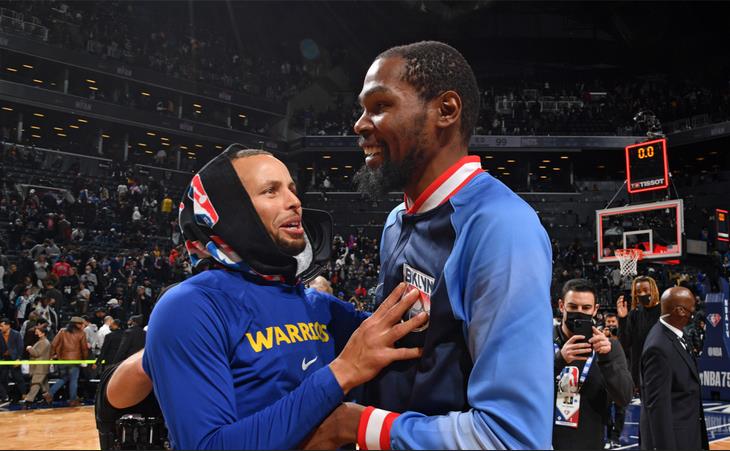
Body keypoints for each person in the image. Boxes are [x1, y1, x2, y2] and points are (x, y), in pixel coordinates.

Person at [309, 41, 554, 449]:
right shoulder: (396, 220)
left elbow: (512, 437)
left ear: (446, 110)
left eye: (380, 106)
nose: (360, 124)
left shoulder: (502, 227)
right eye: (362, 109)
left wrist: (357, 425)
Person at [139, 145, 427, 449]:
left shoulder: (319, 305)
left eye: (292, 189)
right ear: (230, 212)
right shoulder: (189, 307)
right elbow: (208, 446)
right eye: (270, 191)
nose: (294, 202)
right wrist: (340, 376)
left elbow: (414, 340)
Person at [552, 279, 632, 449]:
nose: (579, 312)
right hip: (546, 442)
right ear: (561, 306)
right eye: (573, 307)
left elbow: (624, 398)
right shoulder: (544, 342)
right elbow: (525, 390)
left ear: (595, 310)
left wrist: (606, 360)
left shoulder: (609, 347)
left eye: (586, 308)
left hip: (590, 443)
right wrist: (558, 361)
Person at [639, 286, 708, 450]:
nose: (694, 311)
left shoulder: (675, 334)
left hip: (688, 436)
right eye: (692, 307)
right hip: (676, 441)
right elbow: (658, 408)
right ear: (680, 311)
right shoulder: (659, 348)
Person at [617, 276, 661, 389]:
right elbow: (624, 344)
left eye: (645, 290)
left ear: (654, 290)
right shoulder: (634, 314)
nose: (642, 294)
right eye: (638, 292)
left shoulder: (664, 311)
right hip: (640, 373)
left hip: (661, 368)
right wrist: (622, 319)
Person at [48, 316, 89, 406]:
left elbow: (53, 344)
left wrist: (52, 355)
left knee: (64, 378)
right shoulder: (81, 333)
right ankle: (73, 400)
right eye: (81, 324)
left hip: (62, 360)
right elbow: (84, 349)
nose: (83, 326)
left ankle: (49, 393)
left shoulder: (62, 331)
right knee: (73, 380)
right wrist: (85, 359)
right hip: (75, 361)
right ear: (77, 325)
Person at [603, 312, 626, 447]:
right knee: (605, 409)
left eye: (613, 322)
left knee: (620, 409)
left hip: (621, 377)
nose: (611, 324)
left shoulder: (623, 335)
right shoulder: (600, 335)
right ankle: (609, 435)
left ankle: (615, 437)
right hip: (606, 377)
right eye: (609, 322)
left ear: (617, 322)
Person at [22, 325, 51, 407]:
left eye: (37, 331)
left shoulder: (44, 342)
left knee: (35, 383)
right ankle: (49, 399)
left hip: (40, 368)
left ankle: (29, 400)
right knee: (44, 385)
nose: (36, 333)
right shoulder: (41, 341)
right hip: (40, 367)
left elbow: (36, 354)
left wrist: (29, 348)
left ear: (43, 333)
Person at [0, 317, 26, 405]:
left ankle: (24, 395)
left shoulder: (16, 334)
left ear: (8, 326)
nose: (0, 328)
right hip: (4, 359)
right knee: (3, 378)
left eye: (2, 326)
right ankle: (5, 398)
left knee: (18, 378)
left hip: (14, 359)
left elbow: (20, 347)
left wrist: (18, 359)